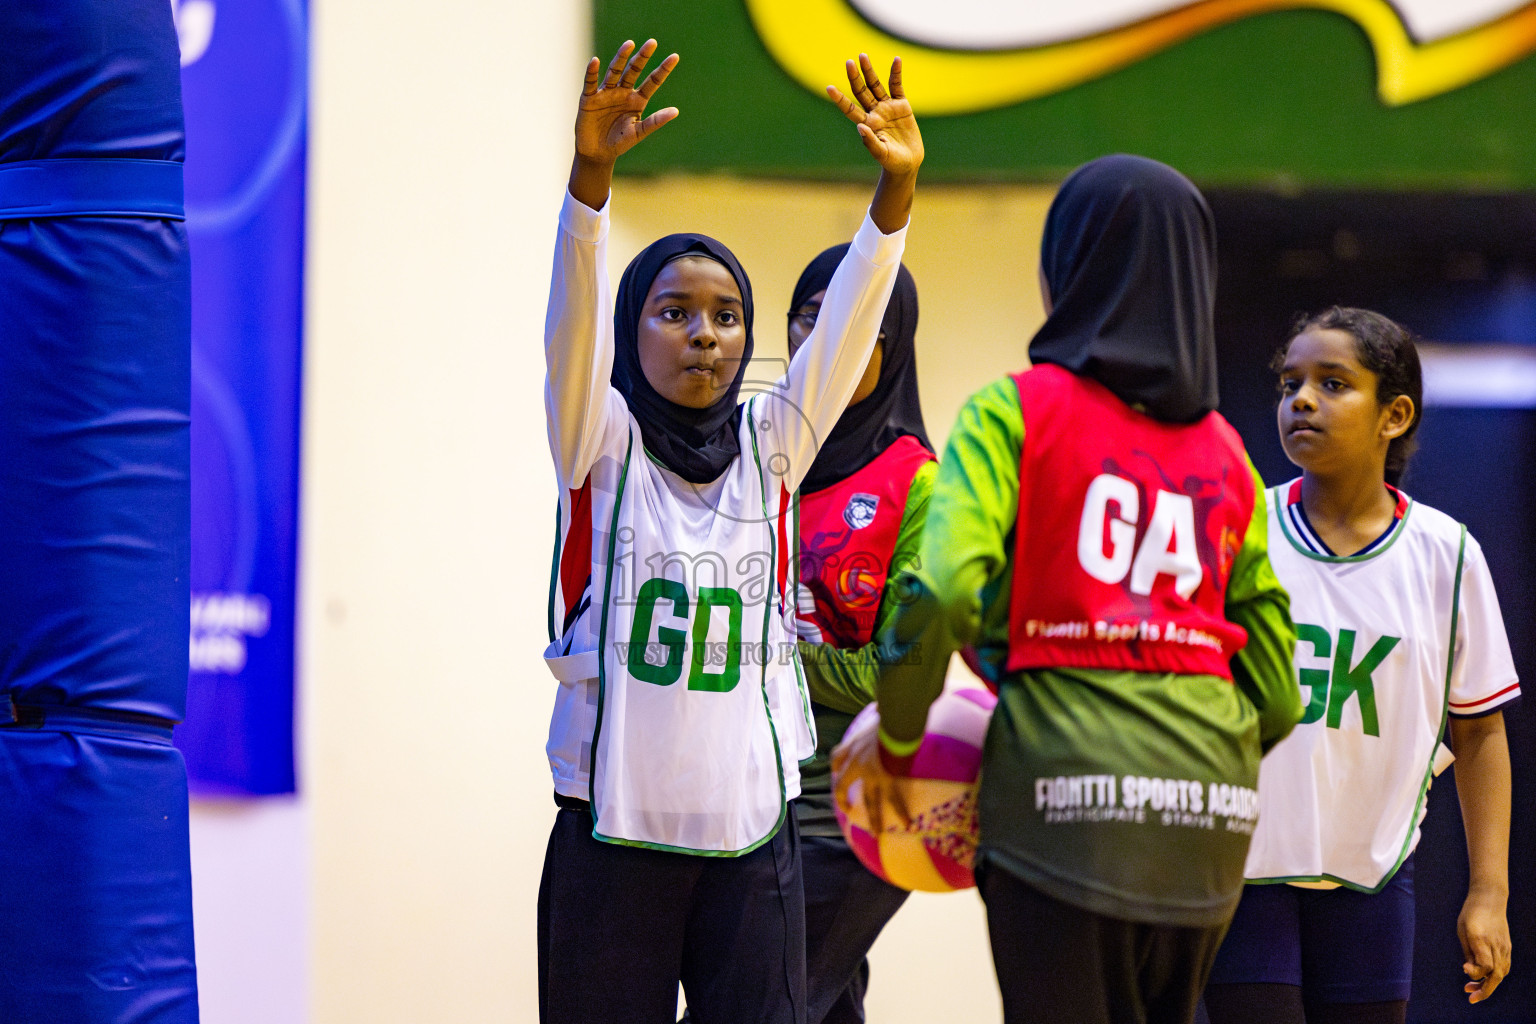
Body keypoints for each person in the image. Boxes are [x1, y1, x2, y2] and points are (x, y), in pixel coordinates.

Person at [835, 153, 1301, 1024]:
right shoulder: (1228, 455)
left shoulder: (1013, 412)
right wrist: (1197, 754)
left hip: (1061, 805)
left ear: (1065, 271)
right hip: (1210, 823)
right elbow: (1278, 691)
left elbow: (935, 597)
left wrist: (901, 735)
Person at [536, 38, 923, 1024]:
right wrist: (591, 185)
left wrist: (894, 196)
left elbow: (846, 329)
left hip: (755, 841)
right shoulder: (602, 438)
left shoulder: (773, 443)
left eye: (726, 315)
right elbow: (568, 336)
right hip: (611, 834)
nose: (705, 333)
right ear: (636, 331)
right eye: (675, 311)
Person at [1202, 308, 1518, 1024]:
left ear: (1394, 415)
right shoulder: (1240, 527)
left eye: (1333, 383)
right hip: (1242, 872)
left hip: (1373, 881)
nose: (1302, 399)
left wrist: (1488, 893)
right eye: (1291, 384)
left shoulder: (1448, 553)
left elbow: (1479, 733)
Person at [789, 247, 935, 1024]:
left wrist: (774, 657)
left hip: (853, 814)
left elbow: (898, 672)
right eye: (812, 315)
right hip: (757, 804)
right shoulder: (757, 462)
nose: (830, 335)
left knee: (756, 1008)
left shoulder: (920, 482)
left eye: (860, 321)